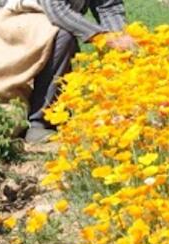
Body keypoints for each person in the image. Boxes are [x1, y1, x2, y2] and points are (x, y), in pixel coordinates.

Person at [24, 0, 138, 144]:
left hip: (51, 25)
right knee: (62, 36)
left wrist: (120, 38)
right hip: (19, 22)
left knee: (123, 50)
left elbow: (108, 6)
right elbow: (56, 10)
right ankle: (38, 122)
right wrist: (102, 36)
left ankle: (122, 111)